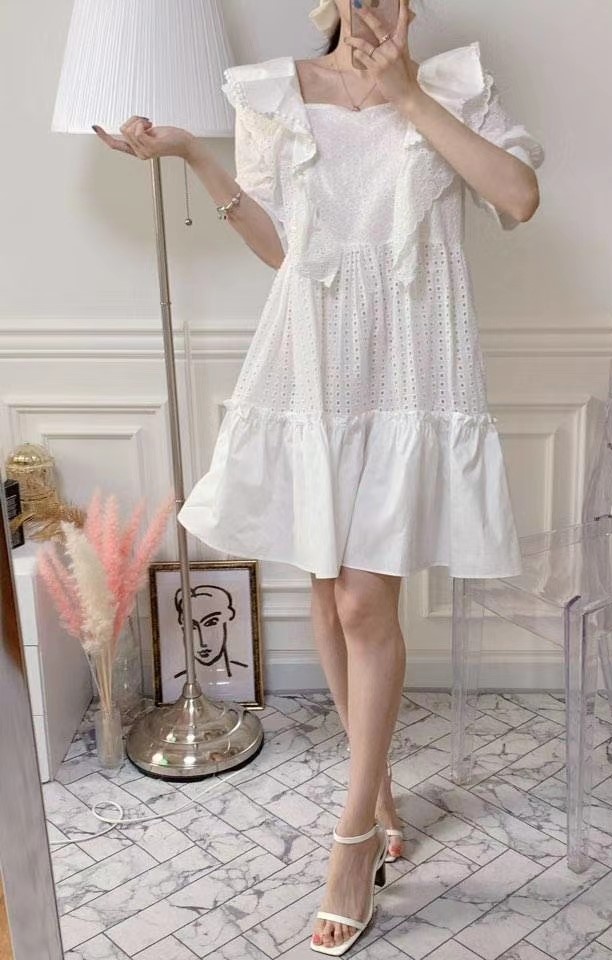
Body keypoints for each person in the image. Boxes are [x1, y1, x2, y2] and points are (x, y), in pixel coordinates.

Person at [92, 0, 544, 952]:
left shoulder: (453, 87)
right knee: (329, 601)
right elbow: (282, 249)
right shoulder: (276, 95)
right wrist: (194, 154)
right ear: (328, 3)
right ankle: (376, 792)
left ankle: (351, 845)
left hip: (410, 375)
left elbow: (518, 198)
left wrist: (409, 96)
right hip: (312, 372)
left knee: (366, 604)